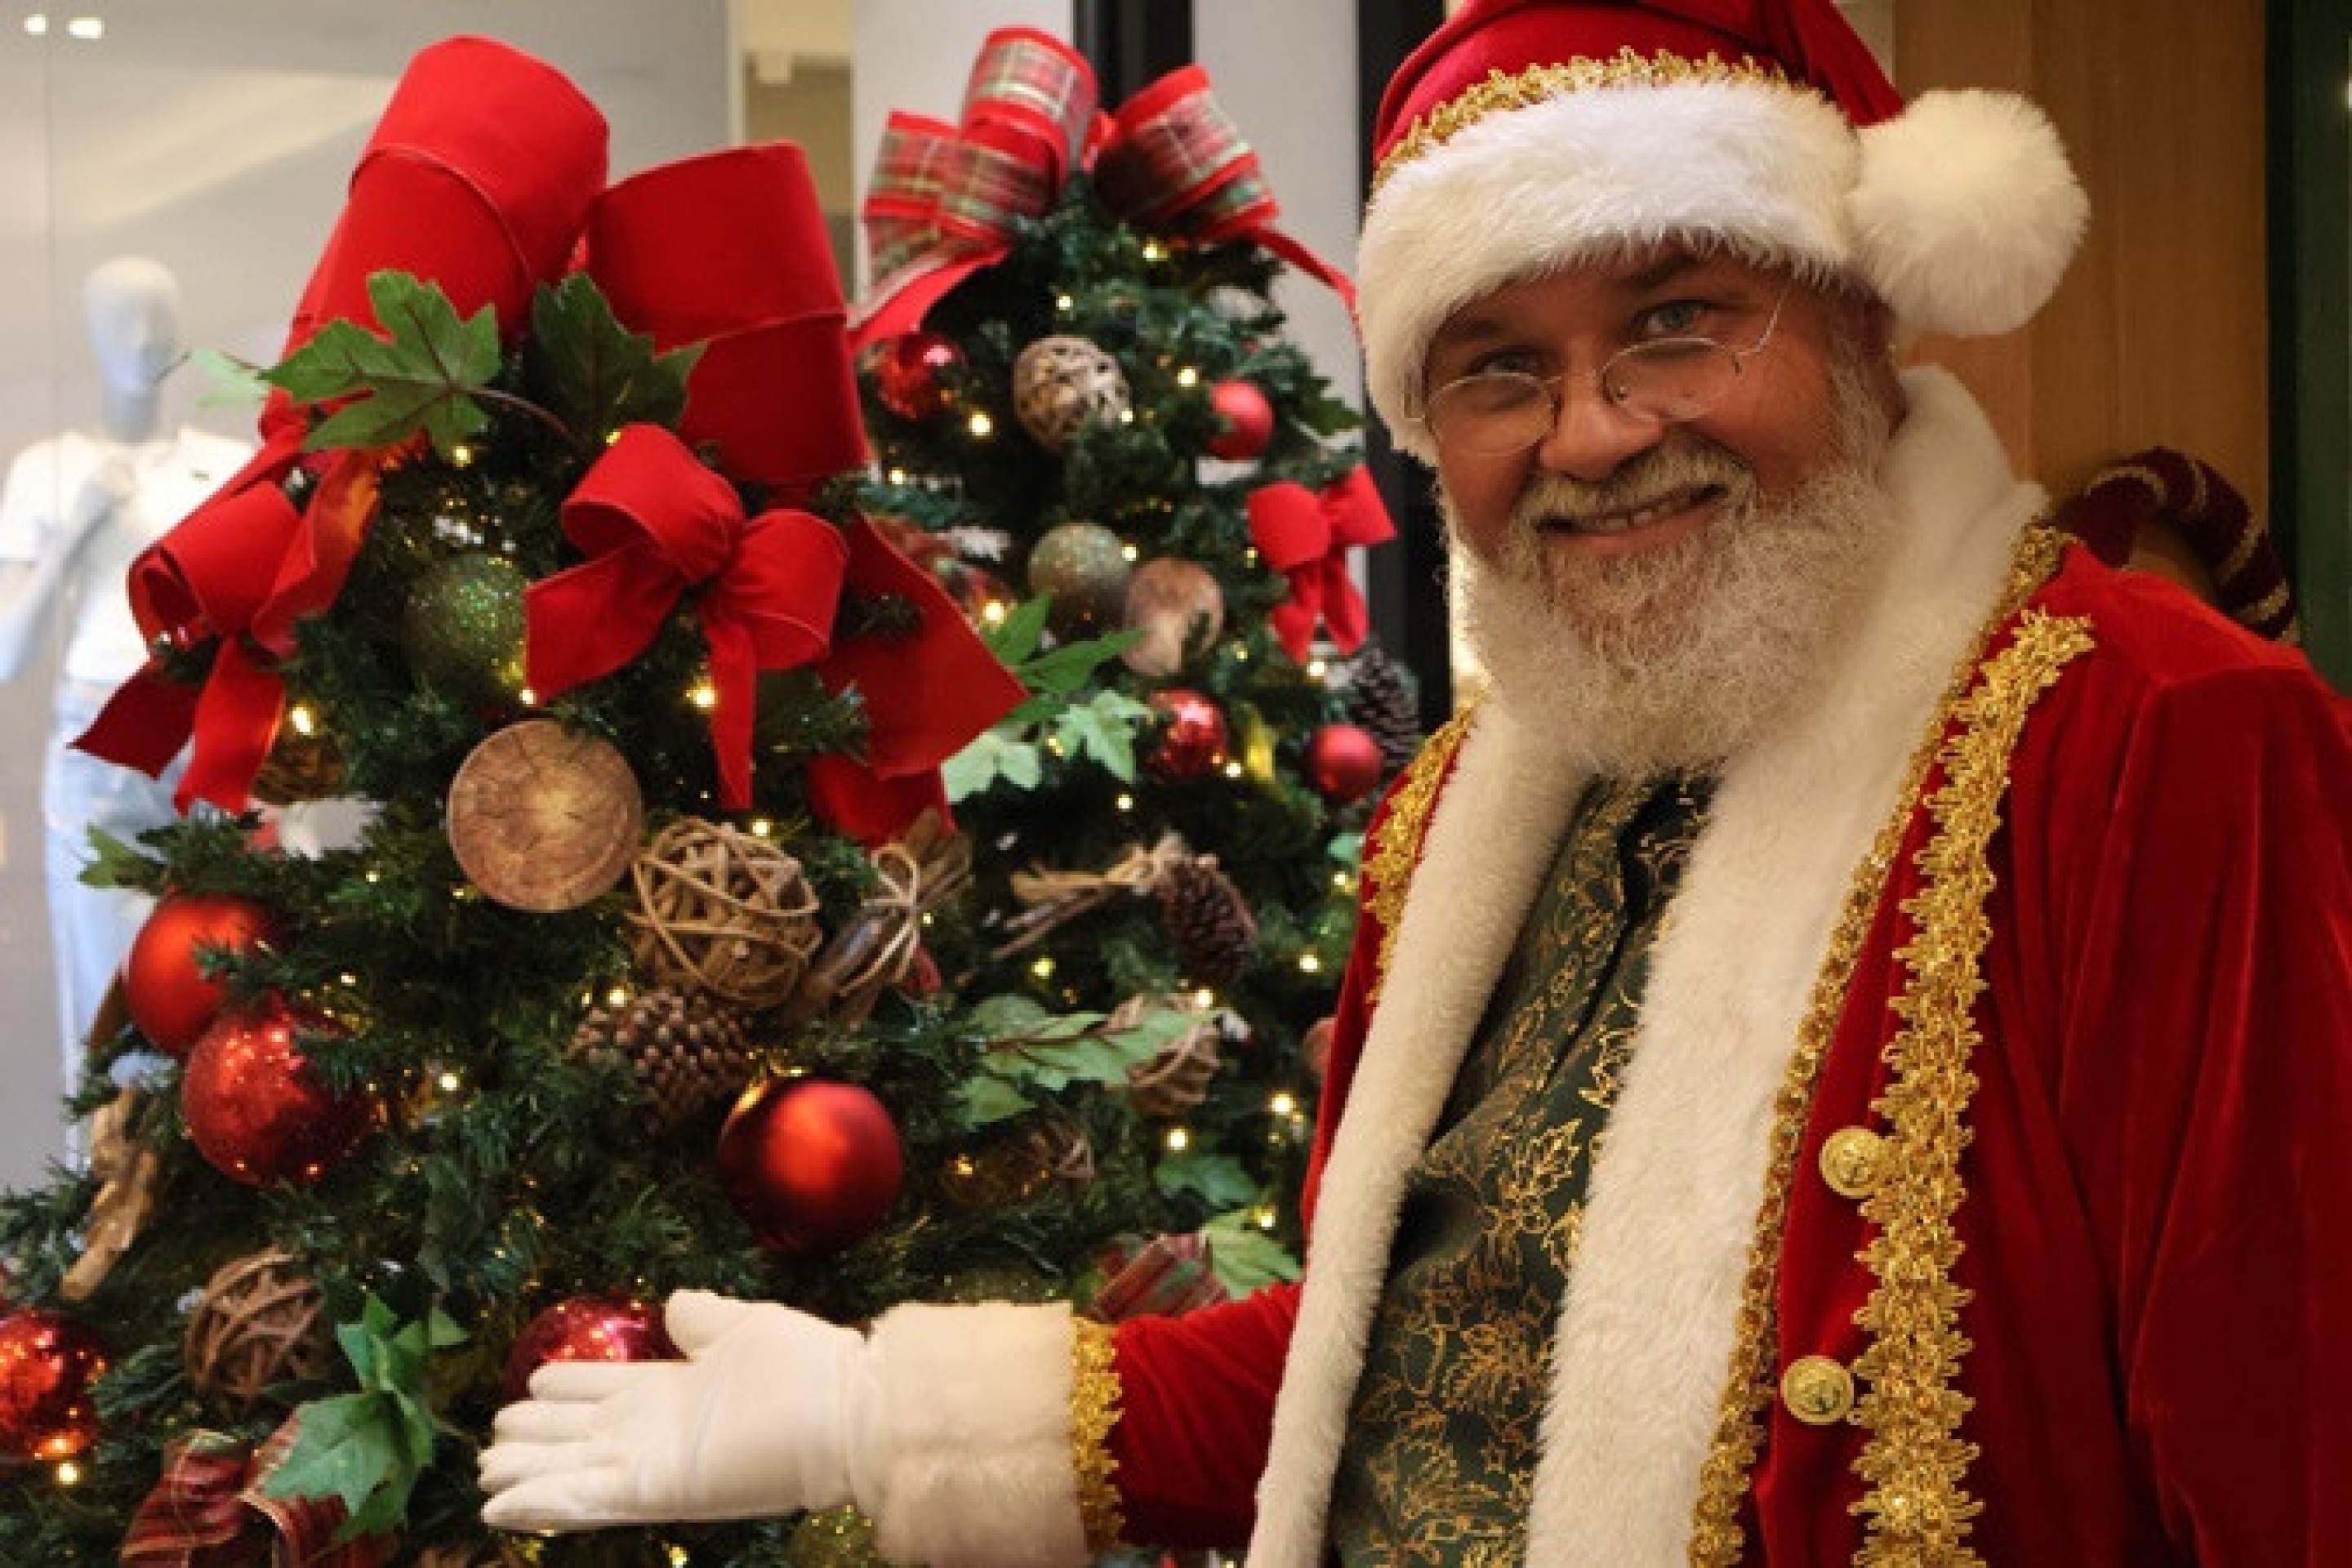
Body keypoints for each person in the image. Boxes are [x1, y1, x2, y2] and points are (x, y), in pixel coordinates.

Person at [479, 2, 2351, 1562]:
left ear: (1863, 311)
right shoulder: (1471, 809)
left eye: (1678, 319)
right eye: (1496, 369)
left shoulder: (2152, 738)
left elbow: (2287, 1452)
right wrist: (884, 1410)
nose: (1592, 434)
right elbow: (1414, 1360)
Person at [0, 258, 251, 1080]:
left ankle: (215, 1184)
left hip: (210, 735)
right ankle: (108, 1196)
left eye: (161, 317)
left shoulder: (222, 464)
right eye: (127, 318)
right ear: (92, 333)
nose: (148, 338)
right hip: (98, 741)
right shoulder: (53, 468)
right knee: (110, 991)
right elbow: (6, 654)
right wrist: (76, 530)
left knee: (231, 983)